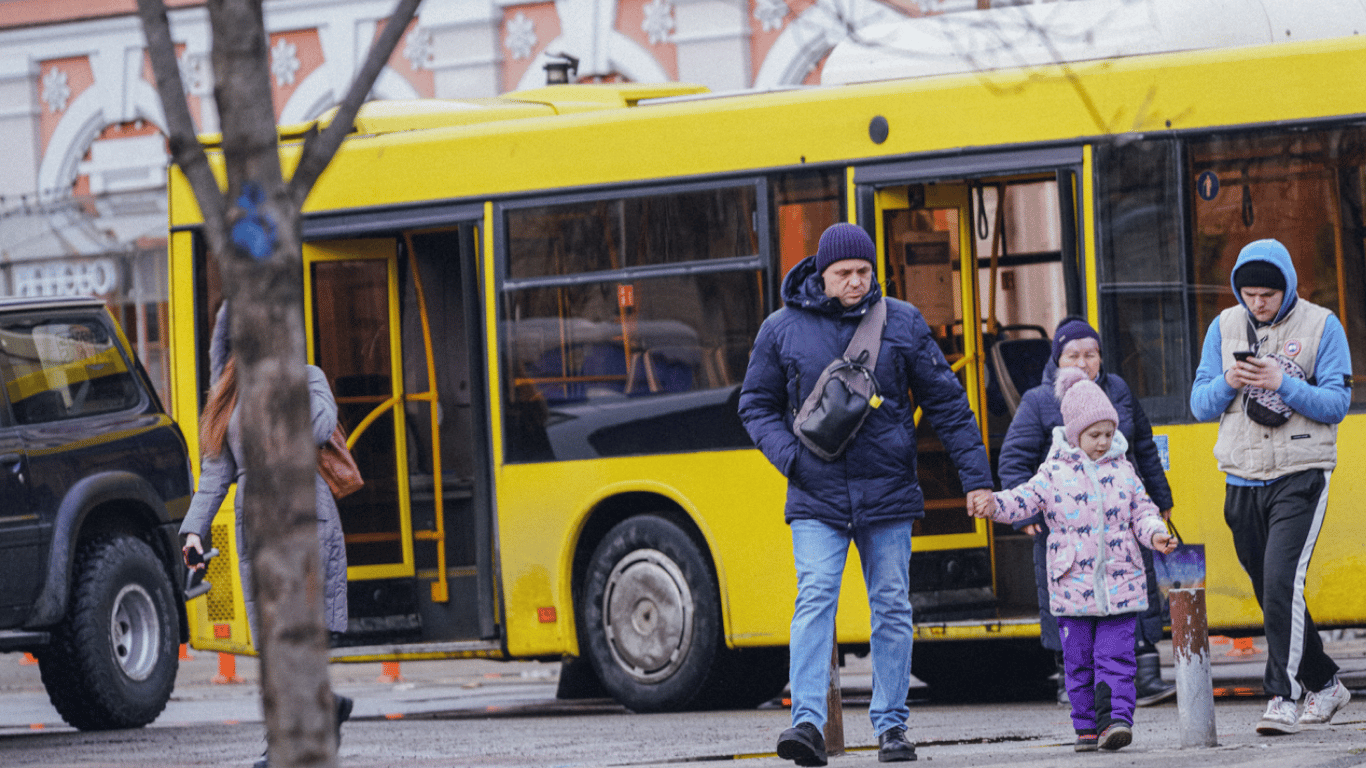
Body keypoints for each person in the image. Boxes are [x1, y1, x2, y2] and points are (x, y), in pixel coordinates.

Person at [739, 223, 994, 766]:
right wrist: (791, 459)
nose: (856, 282)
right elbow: (755, 406)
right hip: (815, 494)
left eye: (864, 272)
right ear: (820, 274)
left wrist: (976, 479)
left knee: (892, 607)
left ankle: (892, 727)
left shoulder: (900, 322)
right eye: (844, 274)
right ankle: (806, 723)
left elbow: (948, 405)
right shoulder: (781, 329)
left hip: (888, 493)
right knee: (816, 598)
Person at [1190, 238, 1353, 735]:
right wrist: (1230, 382)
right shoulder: (1223, 327)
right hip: (1241, 475)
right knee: (1271, 591)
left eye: (1268, 294)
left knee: (1283, 582)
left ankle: (1283, 695)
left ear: (1288, 287)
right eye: (1249, 293)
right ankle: (1325, 684)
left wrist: (1283, 382)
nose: (1257, 303)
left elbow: (1336, 405)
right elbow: (1199, 404)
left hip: (1301, 473)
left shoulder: (1323, 325)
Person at [179, 305, 353, 767]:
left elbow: (317, 428)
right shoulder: (229, 396)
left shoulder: (307, 377)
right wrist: (193, 532)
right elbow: (216, 474)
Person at [973, 366, 1178, 752]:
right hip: (1072, 590)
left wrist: (1155, 534)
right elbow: (1022, 500)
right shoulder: (1052, 473)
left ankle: (1116, 721)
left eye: (1108, 433)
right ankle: (1086, 726)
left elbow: (1142, 511)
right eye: (1094, 435)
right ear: (1073, 434)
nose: (1103, 442)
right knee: (1079, 661)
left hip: (1121, 585)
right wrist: (993, 505)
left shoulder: (1124, 469)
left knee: (1116, 657)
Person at [997, 316, 1177, 707]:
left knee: (1133, 587)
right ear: (1057, 360)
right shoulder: (1040, 400)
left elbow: (1142, 447)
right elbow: (1013, 460)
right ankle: (1072, 679)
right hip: (1065, 525)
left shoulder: (1118, 391)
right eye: (1073, 355)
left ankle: (1143, 674)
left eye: (1091, 354)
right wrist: (1026, 516)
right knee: (1067, 602)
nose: (1083, 362)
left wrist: (1160, 500)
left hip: (1118, 517)